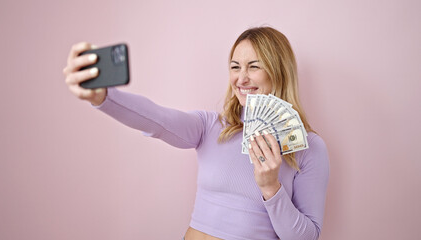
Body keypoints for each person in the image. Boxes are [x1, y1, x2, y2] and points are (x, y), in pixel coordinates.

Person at [63, 27, 329, 240]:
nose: (241, 78)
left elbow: (306, 236)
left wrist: (272, 188)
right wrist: (104, 97)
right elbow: (158, 119)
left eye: (254, 66)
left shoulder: (309, 148)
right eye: (235, 67)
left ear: (279, 71)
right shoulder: (211, 126)